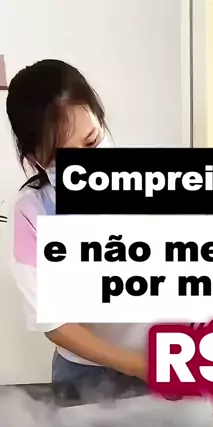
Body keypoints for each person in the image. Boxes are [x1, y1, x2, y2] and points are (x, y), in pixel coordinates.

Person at [7, 59, 150, 398]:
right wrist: (137, 365)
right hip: (85, 372)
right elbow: (53, 321)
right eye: (61, 158)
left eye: (90, 143)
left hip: (158, 355)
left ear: (101, 121)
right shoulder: (33, 212)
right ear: (35, 159)